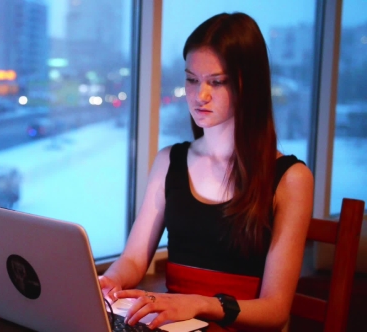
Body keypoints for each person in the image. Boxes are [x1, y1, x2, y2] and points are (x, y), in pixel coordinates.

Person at [99, 12, 314, 331]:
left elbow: (276, 309)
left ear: (248, 85)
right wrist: (108, 282)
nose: (199, 96)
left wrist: (199, 303)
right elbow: (132, 260)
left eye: (217, 82)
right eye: (191, 79)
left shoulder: (291, 178)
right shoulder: (169, 161)